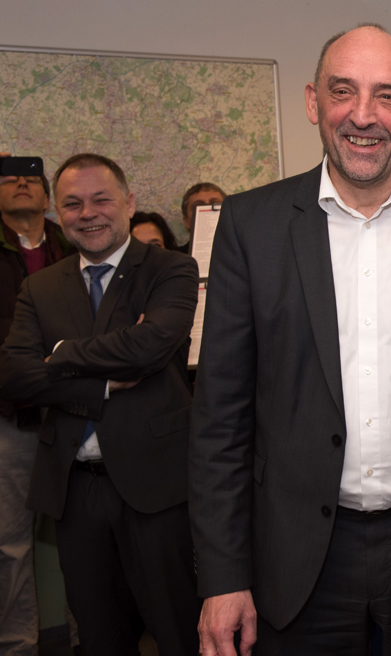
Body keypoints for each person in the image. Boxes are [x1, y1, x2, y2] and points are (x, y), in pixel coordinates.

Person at [189, 23, 391, 656]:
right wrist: (223, 577)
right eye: (343, 92)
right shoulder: (251, 226)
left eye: (387, 96)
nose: (364, 115)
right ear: (313, 103)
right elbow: (219, 418)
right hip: (298, 562)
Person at [0, 153, 201, 655]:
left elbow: (151, 345)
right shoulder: (40, 286)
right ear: (58, 214)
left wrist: (62, 354)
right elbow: (13, 375)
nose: (87, 213)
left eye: (100, 199)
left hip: (157, 487)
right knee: (99, 635)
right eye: (72, 204)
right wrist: (101, 385)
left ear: (129, 203)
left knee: (178, 627)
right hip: (75, 490)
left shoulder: (171, 269)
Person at [0, 156, 75, 656]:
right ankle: (17, 647)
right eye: (9, 179)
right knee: (11, 545)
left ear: (46, 197)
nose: (22, 184)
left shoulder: (72, 243)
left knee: (83, 538)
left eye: (31, 179)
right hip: (12, 416)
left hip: (75, 413)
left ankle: (82, 637)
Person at [179, 182, 225, 252]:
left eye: (215, 204)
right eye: (198, 206)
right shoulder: (175, 259)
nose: (207, 211)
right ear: (186, 221)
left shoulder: (244, 254)